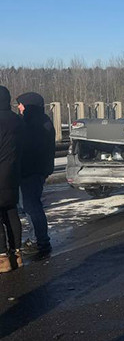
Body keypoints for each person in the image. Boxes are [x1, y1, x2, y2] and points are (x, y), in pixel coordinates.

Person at [16, 92, 54, 259]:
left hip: (30, 171)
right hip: (35, 170)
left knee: (31, 207)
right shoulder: (42, 122)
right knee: (30, 206)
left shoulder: (34, 125)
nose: (19, 107)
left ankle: (40, 241)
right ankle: (39, 240)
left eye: (21, 104)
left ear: (29, 105)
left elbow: (29, 149)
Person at [0, 85, 24, 272]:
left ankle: (2, 258)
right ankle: (17, 254)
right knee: (11, 212)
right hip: (14, 173)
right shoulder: (17, 120)